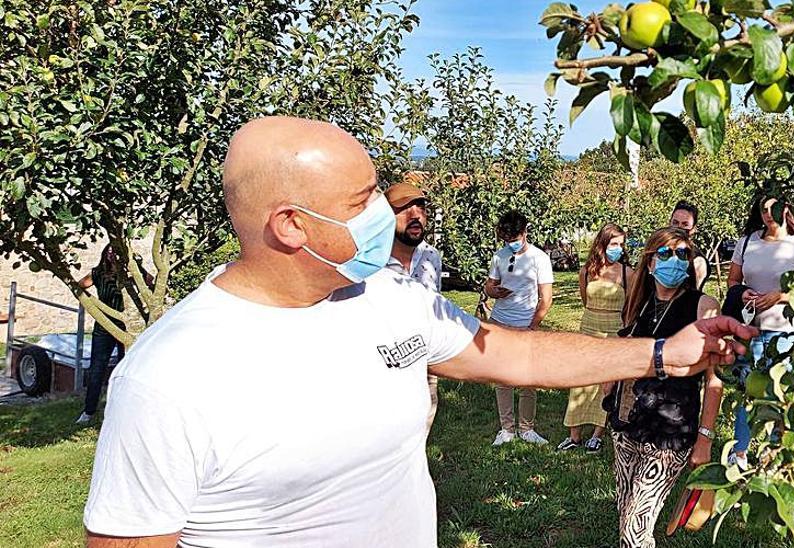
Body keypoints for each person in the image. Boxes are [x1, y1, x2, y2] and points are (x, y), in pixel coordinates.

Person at [82, 116, 755, 548]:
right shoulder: (172, 378)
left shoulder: (388, 298)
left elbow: (512, 352)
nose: (387, 212)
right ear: (290, 225)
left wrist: (664, 351)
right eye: (362, 200)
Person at [605, 227, 724, 548]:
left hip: (670, 431)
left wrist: (705, 440)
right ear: (650, 262)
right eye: (665, 253)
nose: (675, 260)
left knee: (634, 525)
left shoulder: (703, 307)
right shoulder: (638, 302)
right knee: (628, 514)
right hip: (627, 421)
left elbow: (715, 380)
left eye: (683, 253)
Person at [727, 194, 794, 467]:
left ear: (787, 208)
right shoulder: (747, 242)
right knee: (747, 389)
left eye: (773, 208)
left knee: (780, 395)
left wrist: (781, 296)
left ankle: (774, 451)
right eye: (762, 209)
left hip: (785, 332)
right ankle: (739, 451)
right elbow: (732, 280)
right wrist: (742, 294)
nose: (768, 214)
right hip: (750, 328)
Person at [484, 210, 554, 446]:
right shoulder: (499, 256)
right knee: (502, 378)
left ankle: (527, 428)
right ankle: (507, 429)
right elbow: (489, 286)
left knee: (528, 379)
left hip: (526, 324)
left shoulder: (539, 258)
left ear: (525, 232)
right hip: (500, 322)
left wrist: (532, 326)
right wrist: (494, 291)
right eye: (506, 239)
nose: (510, 243)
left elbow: (546, 298)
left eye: (514, 238)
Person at [557, 223, 627, 453]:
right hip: (588, 329)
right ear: (602, 244)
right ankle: (574, 435)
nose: (618, 248)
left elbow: (631, 307)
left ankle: (597, 434)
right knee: (580, 381)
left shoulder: (629, 273)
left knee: (605, 385)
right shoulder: (587, 271)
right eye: (614, 243)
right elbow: (585, 301)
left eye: (621, 244)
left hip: (613, 332)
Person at [383, 182, 445, 439]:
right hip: (383, 358)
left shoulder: (431, 256)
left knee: (424, 416)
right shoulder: (371, 259)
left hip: (424, 356)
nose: (415, 215)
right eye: (404, 209)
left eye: (420, 208)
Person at [75, 246, 127, 425]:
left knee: (125, 367)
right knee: (97, 368)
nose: (113, 256)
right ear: (104, 254)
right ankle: (89, 411)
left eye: (116, 253)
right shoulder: (97, 273)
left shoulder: (128, 272)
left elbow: (150, 282)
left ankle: (121, 409)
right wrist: (92, 304)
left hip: (126, 326)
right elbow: (80, 286)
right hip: (104, 326)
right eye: (110, 252)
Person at [669, 200, 709, 289]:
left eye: (685, 224)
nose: (679, 228)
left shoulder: (698, 261)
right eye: (675, 223)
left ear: (693, 229)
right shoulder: (659, 250)